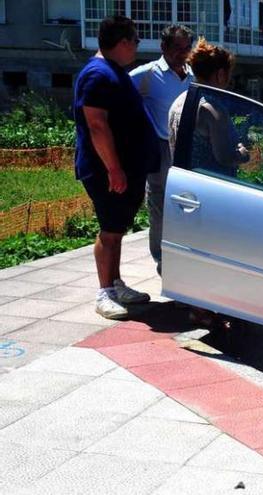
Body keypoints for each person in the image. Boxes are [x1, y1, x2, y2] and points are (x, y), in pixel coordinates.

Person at [73, 15, 157, 319]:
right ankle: (105, 292)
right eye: (134, 41)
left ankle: (116, 283)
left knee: (117, 228)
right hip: (107, 170)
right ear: (122, 42)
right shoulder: (97, 75)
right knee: (109, 230)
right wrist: (114, 168)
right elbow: (96, 125)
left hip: (123, 167)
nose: (136, 47)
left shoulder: (112, 71)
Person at [129, 24, 195, 275]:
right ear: (163, 47)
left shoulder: (192, 76)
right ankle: (161, 259)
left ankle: (183, 252)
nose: (183, 53)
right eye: (177, 48)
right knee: (159, 205)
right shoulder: (146, 74)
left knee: (186, 205)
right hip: (159, 148)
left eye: (186, 48)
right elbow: (116, 95)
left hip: (185, 149)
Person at [168, 38, 249, 176]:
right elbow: (225, 158)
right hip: (210, 189)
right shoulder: (212, 110)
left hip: (183, 182)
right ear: (221, 75)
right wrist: (242, 154)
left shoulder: (179, 101)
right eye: (229, 74)